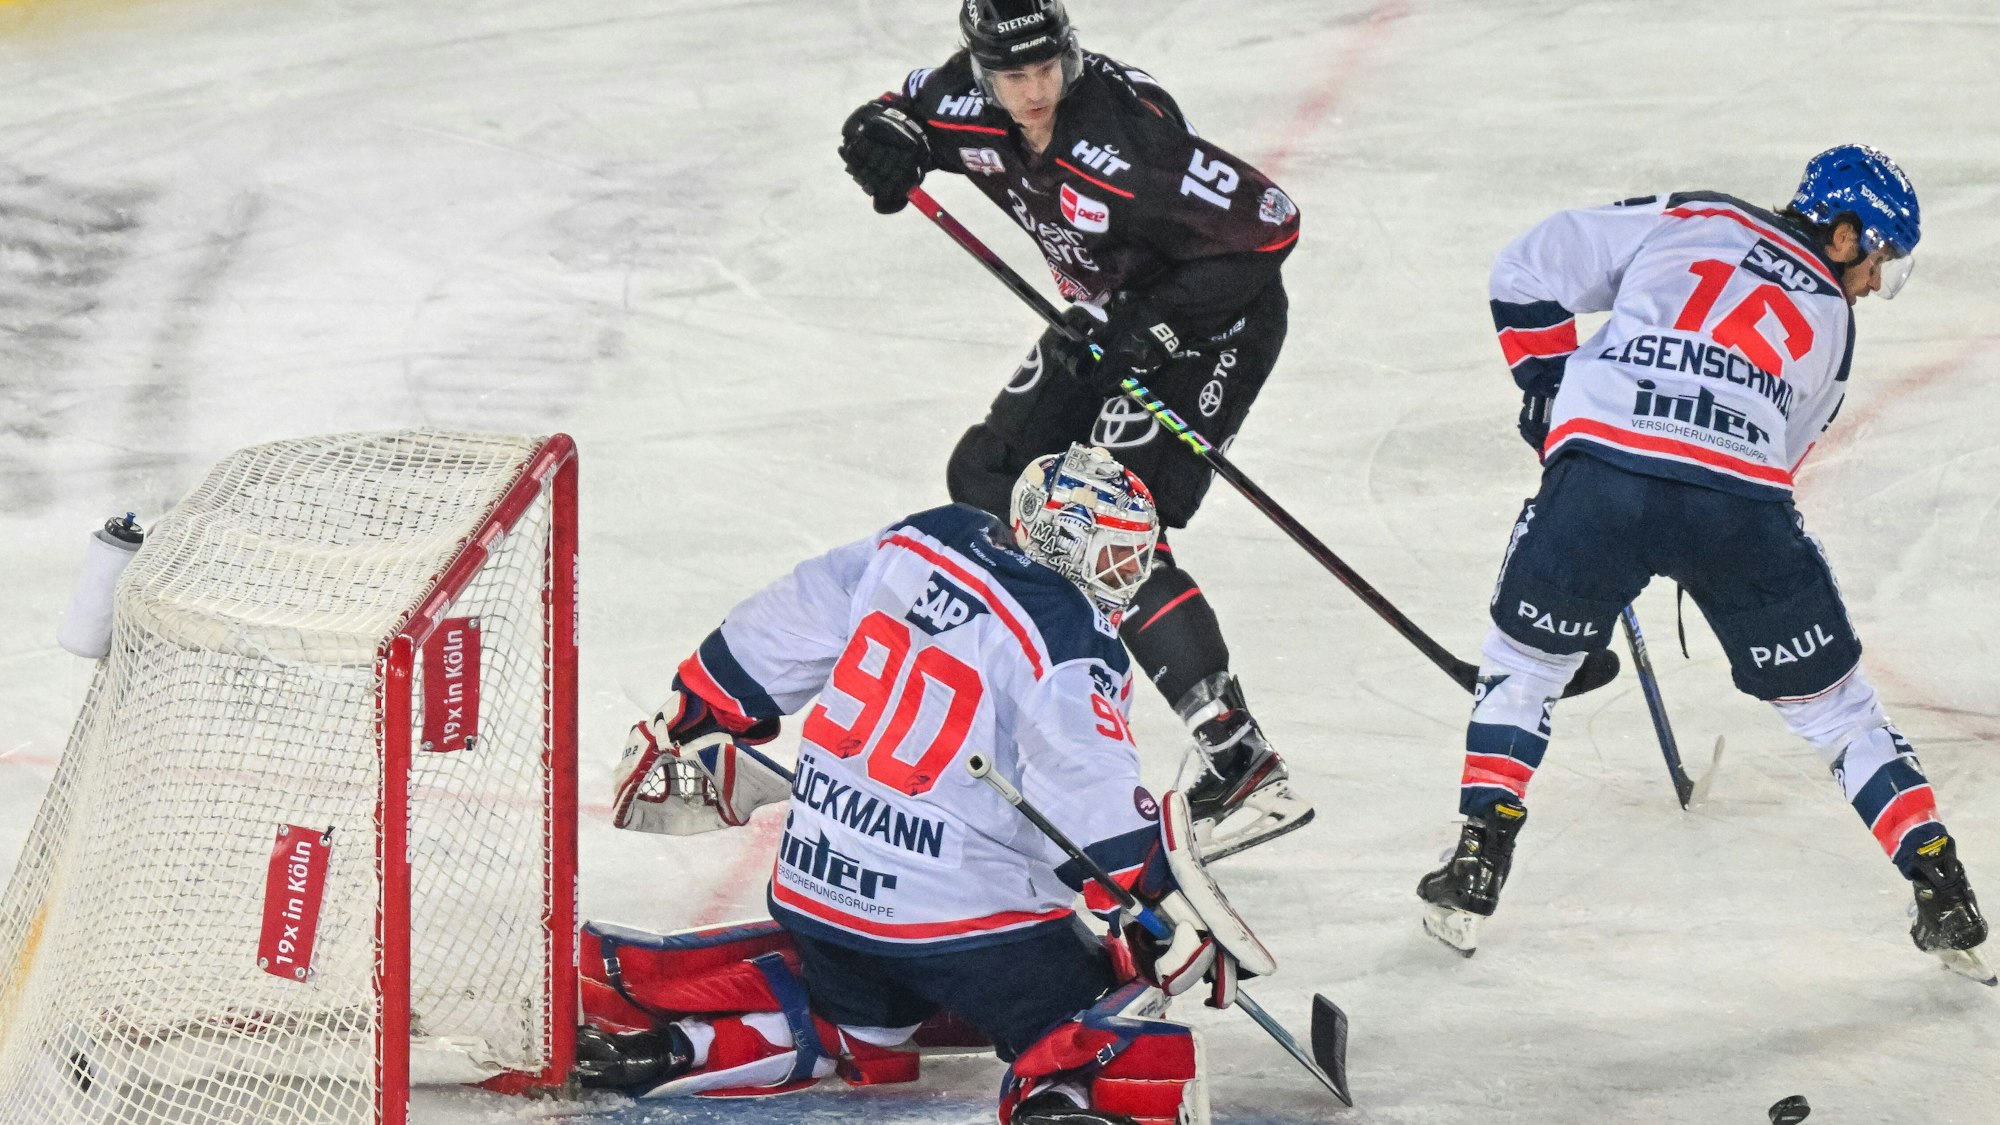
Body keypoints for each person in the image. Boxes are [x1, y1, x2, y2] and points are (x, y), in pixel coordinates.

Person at [1415, 145, 1991, 981]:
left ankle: (1477, 860)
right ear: (1840, 234)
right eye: (1877, 260)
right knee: (1836, 710)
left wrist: (1550, 392)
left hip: (1603, 475)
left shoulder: (1695, 216)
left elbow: (1526, 266)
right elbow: (1780, 459)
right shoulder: (1833, 326)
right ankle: (1940, 881)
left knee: (1526, 665)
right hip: (1739, 508)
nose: (1874, 283)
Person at [589, 444, 1271, 1124]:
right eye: (1114, 554)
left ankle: (680, 1047)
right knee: (1095, 998)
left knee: (855, 1016)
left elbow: (786, 618)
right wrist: (1159, 896)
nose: (1125, 575)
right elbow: (1086, 793)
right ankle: (1061, 1101)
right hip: (960, 929)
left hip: (818, 893)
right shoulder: (1070, 636)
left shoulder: (924, 536)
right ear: (1064, 541)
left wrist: (702, 700)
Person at [835, 0, 1308, 858]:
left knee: (1104, 522)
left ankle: (1238, 756)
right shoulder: (964, 101)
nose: (1035, 89)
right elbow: (897, 113)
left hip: (1211, 326)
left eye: (1047, 67)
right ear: (981, 70)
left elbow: (1271, 226)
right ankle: (1039, 707)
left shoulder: (1127, 144)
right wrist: (879, 139)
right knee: (989, 473)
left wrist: (1150, 325)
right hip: (1104, 318)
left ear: (1070, 53)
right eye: (1013, 76)